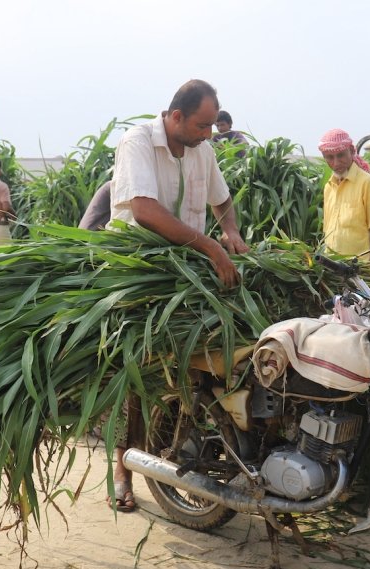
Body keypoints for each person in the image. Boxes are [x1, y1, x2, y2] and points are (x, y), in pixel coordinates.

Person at [108, 78, 250, 511]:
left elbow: (221, 200)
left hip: (186, 271)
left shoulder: (201, 151)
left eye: (212, 126)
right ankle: (121, 468)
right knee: (132, 374)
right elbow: (145, 211)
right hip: (138, 271)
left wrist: (230, 232)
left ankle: (193, 449)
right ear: (175, 117)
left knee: (200, 362)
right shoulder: (137, 143)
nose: (210, 134)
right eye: (203, 125)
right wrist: (209, 246)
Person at [318, 128, 370, 261]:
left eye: (341, 155)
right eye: (330, 157)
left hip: (359, 269)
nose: (336, 163)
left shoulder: (368, 183)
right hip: (332, 267)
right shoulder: (328, 187)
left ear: (352, 151)